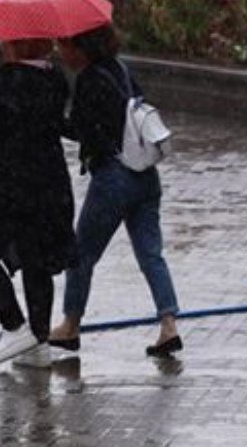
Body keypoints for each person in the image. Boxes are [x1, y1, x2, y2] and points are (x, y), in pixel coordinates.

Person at [49, 25, 182, 358]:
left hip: (113, 178)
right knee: (151, 254)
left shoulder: (89, 80)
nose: (59, 51)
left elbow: (82, 131)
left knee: (80, 254)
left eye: (62, 44)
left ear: (80, 48)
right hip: (146, 177)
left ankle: (70, 325)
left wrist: (52, 119)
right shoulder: (121, 71)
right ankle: (169, 325)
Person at [0, 37, 77, 368]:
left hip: (10, 182)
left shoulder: (8, 77)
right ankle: (39, 340)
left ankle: (14, 324)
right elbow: (55, 123)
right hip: (49, 181)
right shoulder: (54, 76)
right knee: (36, 258)